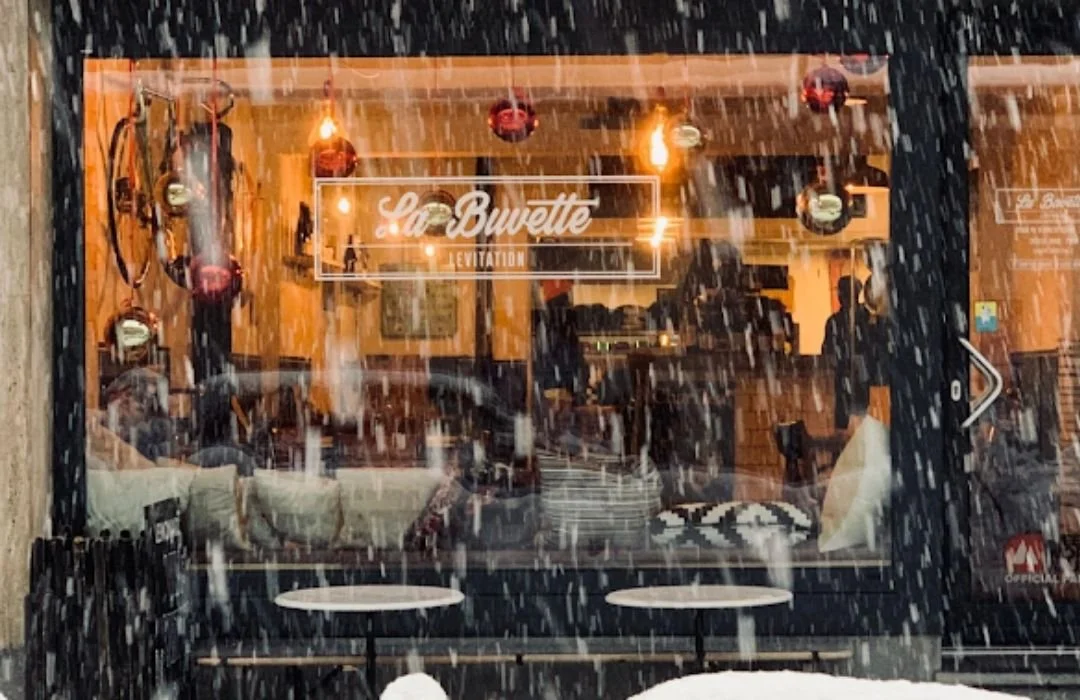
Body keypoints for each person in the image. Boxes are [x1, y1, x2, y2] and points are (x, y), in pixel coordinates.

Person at [822, 275, 871, 431]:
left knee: (846, 430)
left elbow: (827, 352)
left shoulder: (836, 321)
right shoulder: (865, 319)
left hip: (851, 381)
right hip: (855, 381)